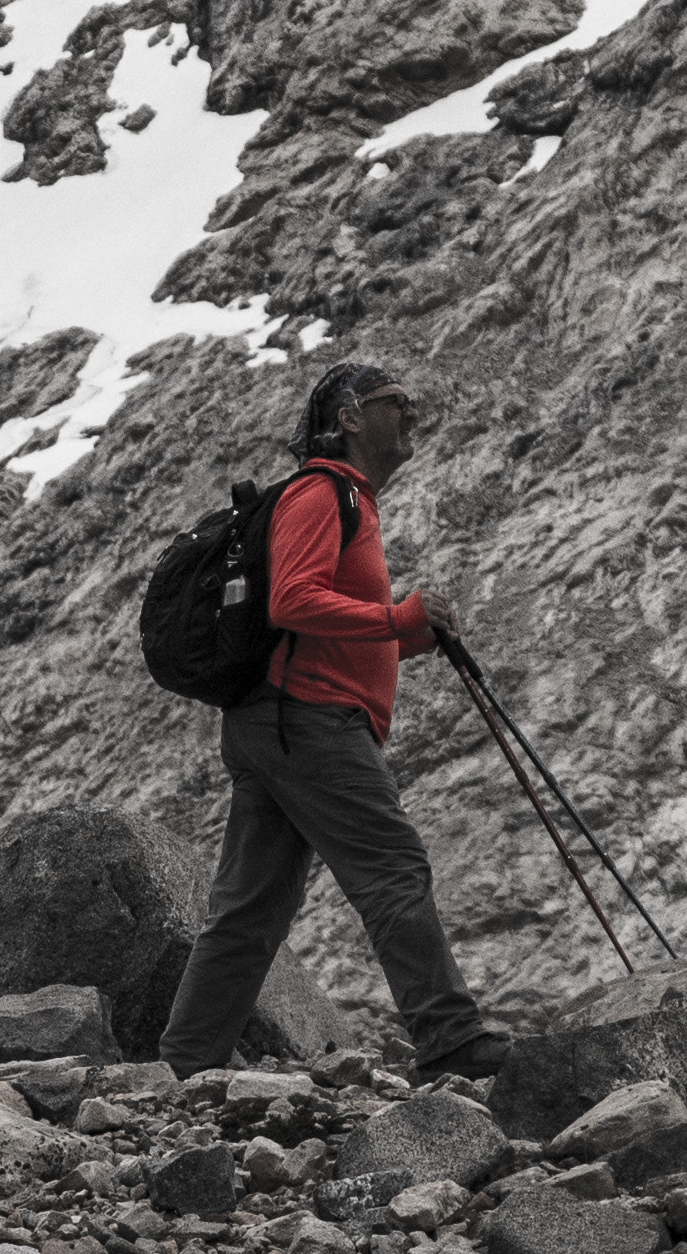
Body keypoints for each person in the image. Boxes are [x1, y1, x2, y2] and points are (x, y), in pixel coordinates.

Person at [158, 362, 511, 1083]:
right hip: (309, 718)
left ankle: (184, 1067)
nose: (413, 410)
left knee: (251, 907)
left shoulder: (345, 499)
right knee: (391, 866)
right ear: (348, 416)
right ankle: (447, 1036)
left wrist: (405, 633)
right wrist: (392, 616)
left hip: (275, 722)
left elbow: (318, 616)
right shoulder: (325, 492)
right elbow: (292, 600)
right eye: (396, 402)